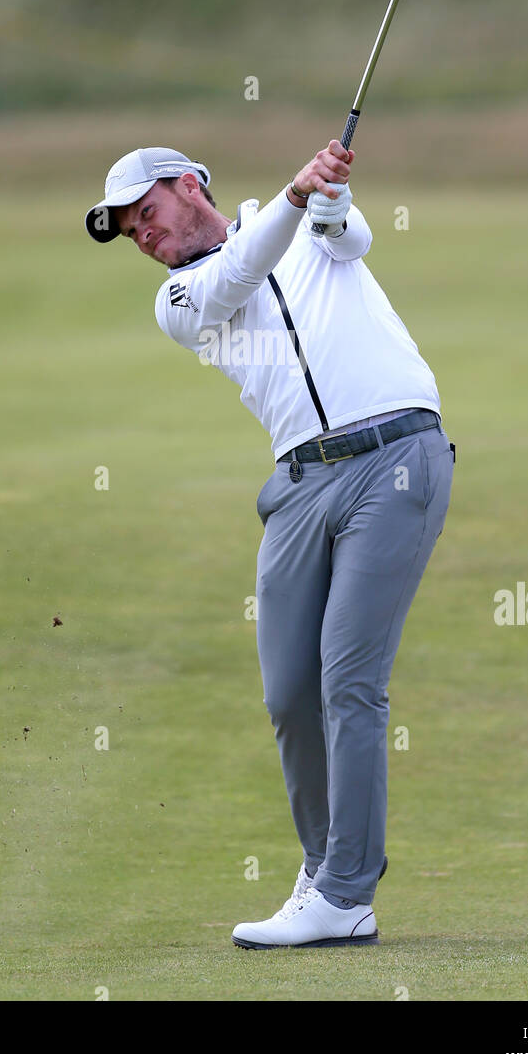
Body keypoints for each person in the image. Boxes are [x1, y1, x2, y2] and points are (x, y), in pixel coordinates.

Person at [84, 142, 454, 948]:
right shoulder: (181, 298)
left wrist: (326, 199)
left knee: (348, 684)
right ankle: (324, 872)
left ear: (190, 188)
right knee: (289, 693)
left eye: (146, 214)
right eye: (127, 232)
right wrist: (297, 194)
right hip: (298, 485)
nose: (141, 237)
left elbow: (348, 240)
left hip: (395, 457)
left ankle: (345, 892)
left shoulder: (302, 223)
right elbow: (240, 273)